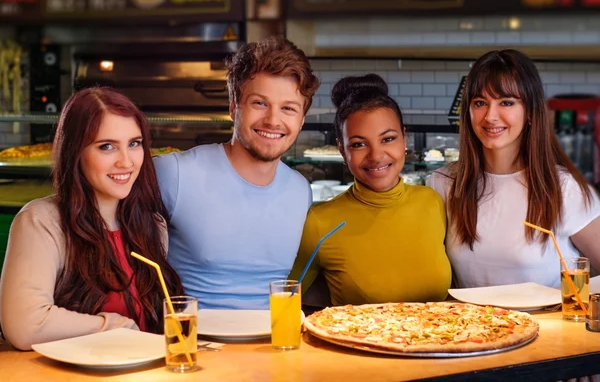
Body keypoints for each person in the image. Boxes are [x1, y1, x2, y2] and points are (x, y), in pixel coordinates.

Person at [0, 87, 183, 350]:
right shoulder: (40, 222)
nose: (126, 162)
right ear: (76, 152)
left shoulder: (153, 225)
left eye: (134, 143)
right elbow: (24, 326)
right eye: (107, 147)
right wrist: (113, 327)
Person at [153, 37, 320, 309]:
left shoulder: (301, 190)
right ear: (234, 106)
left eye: (288, 108)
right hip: (194, 343)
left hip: (276, 343)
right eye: (259, 103)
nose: (273, 120)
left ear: (301, 120)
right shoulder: (174, 173)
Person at [428, 49, 600, 288]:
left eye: (506, 102)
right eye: (480, 103)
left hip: (546, 325)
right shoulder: (443, 183)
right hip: (467, 325)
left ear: (529, 112)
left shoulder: (565, 190)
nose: (490, 116)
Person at [289, 74, 451, 306]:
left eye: (388, 139)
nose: (376, 156)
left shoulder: (433, 202)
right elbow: (283, 297)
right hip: (357, 341)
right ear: (342, 152)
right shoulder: (320, 223)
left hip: (443, 339)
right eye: (358, 144)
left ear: (405, 139)